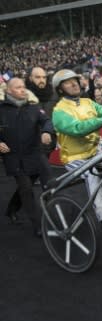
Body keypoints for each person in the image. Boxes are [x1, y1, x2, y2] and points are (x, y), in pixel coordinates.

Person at [51, 69, 102, 233]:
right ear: (60, 89)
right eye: (68, 82)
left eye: (75, 80)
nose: (74, 83)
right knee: (92, 174)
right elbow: (77, 129)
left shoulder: (88, 102)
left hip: (95, 152)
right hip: (74, 158)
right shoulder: (59, 111)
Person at [0, 78, 54, 236]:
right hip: (13, 157)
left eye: (23, 87)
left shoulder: (34, 108)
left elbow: (47, 121)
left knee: (34, 185)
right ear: (8, 91)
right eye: (18, 88)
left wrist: (46, 132)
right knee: (26, 189)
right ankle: (38, 225)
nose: (22, 90)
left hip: (35, 155)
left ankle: (11, 210)